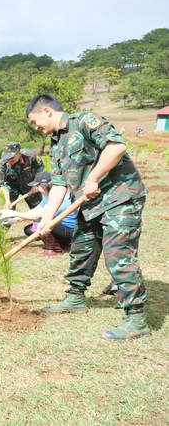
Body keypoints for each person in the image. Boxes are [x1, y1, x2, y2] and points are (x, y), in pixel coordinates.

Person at [26, 93, 150, 340]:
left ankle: (136, 319)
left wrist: (93, 179)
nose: (36, 127)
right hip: (89, 205)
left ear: (47, 111)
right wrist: (47, 221)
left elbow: (116, 146)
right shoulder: (56, 143)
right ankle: (75, 298)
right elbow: (59, 184)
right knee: (82, 250)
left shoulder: (85, 121)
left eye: (34, 121)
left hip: (119, 199)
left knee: (119, 256)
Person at [0, 171, 76, 255]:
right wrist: (15, 220)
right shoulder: (47, 197)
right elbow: (34, 211)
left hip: (71, 232)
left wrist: (13, 213)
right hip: (59, 228)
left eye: (38, 186)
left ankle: (55, 249)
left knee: (39, 221)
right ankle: (60, 242)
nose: (37, 189)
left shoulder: (60, 198)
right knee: (29, 229)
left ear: (45, 185)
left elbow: (40, 215)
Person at [0, 142, 44, 210]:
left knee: (38, 209)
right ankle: (6, 219)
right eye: (7, 158)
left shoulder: (31, 156)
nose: (9, 160)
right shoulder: (2, 164)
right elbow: (4, 183)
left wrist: (35, 183)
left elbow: (39, 169)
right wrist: (7, 200)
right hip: (12, 187)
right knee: (7, 209)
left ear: (19, 153)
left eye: (11, 157)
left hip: (30, 184)